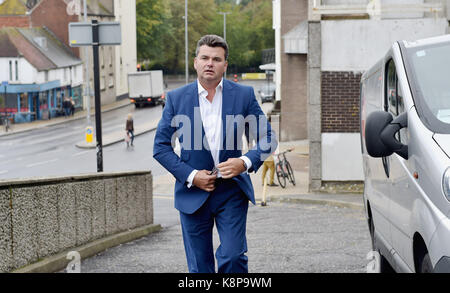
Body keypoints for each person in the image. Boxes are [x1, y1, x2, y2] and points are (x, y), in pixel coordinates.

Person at [153, 35, 277, 273]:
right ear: (195, 62)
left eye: (216, 59)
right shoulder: (176, 99)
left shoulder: (243, 95)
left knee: (233, 257)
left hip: (231, 192)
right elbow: (160, 147)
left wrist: (244, 161)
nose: (210, 63)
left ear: (225, 65)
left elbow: (268, 138)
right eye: (205, 58)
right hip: (192, 194)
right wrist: (191, 175)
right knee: (200, 267)